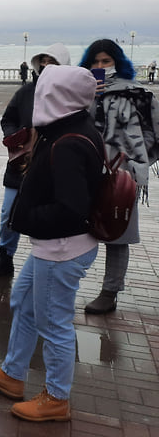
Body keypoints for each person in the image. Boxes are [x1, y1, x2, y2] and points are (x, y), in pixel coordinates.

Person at [0, 65, 105, 423]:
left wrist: (25, 219)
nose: (39, 99)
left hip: (61, 248)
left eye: (46, 93)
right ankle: (13, 374)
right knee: (24, 303)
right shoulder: (63, 129)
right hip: (51, 247)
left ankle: (57, 397)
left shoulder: (70, 141)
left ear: (60, 97)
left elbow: (71, 210)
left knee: (54, 321)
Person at [79, 39, 159, 314]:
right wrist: (88, 97)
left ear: (117, 62)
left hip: (123, 175)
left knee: (117, 233)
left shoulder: (138, 93)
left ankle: (110, 292)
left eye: (106, 61)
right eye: (95, 62)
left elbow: (152, 131)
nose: (100, 67)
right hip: (85, 171)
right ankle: (67, 283)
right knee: (77, 226)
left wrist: (135, 158)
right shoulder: (79, 93)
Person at [0, 44, 71, 278]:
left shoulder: (69, 95)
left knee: (48, 216)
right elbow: (8, 119)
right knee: (8, 214)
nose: (45, 66)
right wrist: (15, 137)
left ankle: (45, 263)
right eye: (42, 61)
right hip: (21, 164)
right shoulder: (25, 93)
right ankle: (5, 256)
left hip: (54, 166)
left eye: (52, 61)